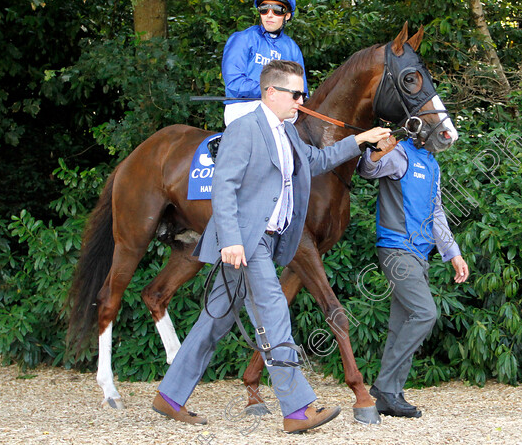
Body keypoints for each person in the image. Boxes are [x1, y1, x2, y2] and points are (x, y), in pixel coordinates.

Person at [152, 60, 391, 433]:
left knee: (214, 321)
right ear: (271, 93)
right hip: (246, 241)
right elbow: (224, 187)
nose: (301, 100)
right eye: (295, 94)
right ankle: (297, 410)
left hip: (264, 240)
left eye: (303, 94)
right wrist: (230, 240)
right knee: (275, 314)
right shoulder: (245, 129)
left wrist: (360, 140)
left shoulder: (289, 134)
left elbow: (318, 161)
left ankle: (169, 396)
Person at [357, 132, 469, 418]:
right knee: (424, 313)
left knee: (402, 322)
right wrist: (378, 151)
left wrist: (453, 253)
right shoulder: (400, 153)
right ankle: (384, 386)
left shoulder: (432, 164)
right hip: (396, 250)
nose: (445, 137)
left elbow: (436, 212)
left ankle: (390, 396)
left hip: (419, 255)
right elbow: (367, 169)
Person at [221, 0, 307, 126]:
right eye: (264, 9)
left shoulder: (292, 48)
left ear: (287, 16)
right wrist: (273, 92)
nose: (269, 15)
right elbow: (234, 83)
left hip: (283, 111)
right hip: (244, 107)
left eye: (277, 10)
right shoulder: (242, 39)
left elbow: (302, 90)